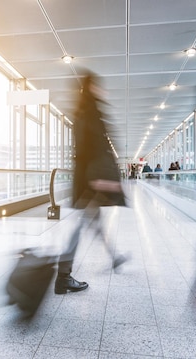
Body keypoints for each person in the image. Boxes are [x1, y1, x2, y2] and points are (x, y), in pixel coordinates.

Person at [55, 70, 127, 294]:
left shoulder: (86, 111)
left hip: (89, 179)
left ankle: (114, 257)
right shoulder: (89, 113)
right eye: (97, 85)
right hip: (91, 181)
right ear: (91, 87)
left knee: (93, 222)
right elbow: (90, 149)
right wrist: (99, 180)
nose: (102, 89)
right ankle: (63, 276)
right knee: (81, 226)